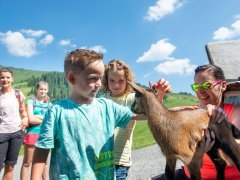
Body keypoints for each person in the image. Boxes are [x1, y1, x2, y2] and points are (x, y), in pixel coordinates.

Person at [30, 49, 171, 180]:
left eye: (100, 78)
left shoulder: (107, 106)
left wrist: (158, 96)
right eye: (93, 78)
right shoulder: (56, 111)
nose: (98, 84)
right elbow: (41, 152)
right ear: (72, 79)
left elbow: (143, 115)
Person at [157, 64, 240, 180]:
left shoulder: (234, 112)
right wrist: (159, 95)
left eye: (207, 85)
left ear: (223, 86)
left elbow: (231, 160)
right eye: (196, 87)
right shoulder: (192, 111)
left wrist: (220, 138)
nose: (201, 91)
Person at [101, 59, 172, 179]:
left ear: (128, 81)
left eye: (121, 81)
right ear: (106, 81)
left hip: (120, 159)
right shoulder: (102, 100)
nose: (116, 85)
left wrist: (159, 94)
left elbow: (152, 113)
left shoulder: (132, 98)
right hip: (100, 157)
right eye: (111, 80)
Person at [0, 68, 28, 180]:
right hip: (1, 133)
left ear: (12, 79)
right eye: (2, 77)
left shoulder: (17, 93)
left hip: (17, 133)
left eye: (7, 77)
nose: (5, 79)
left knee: (10, 166)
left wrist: (25, 117)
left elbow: (22, 109)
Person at [20, 81, 52, 180]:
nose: (43, 91)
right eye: (41, 89)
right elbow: (31, 119)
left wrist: (37, 116)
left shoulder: (49, 104)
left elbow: (50, 120)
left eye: (45, 89)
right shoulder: (31, 102)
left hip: (45, 135)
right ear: (37, 89)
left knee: (45, 163)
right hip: (32, 134)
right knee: (27, 162)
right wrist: (44, 119)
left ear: (47, 90)